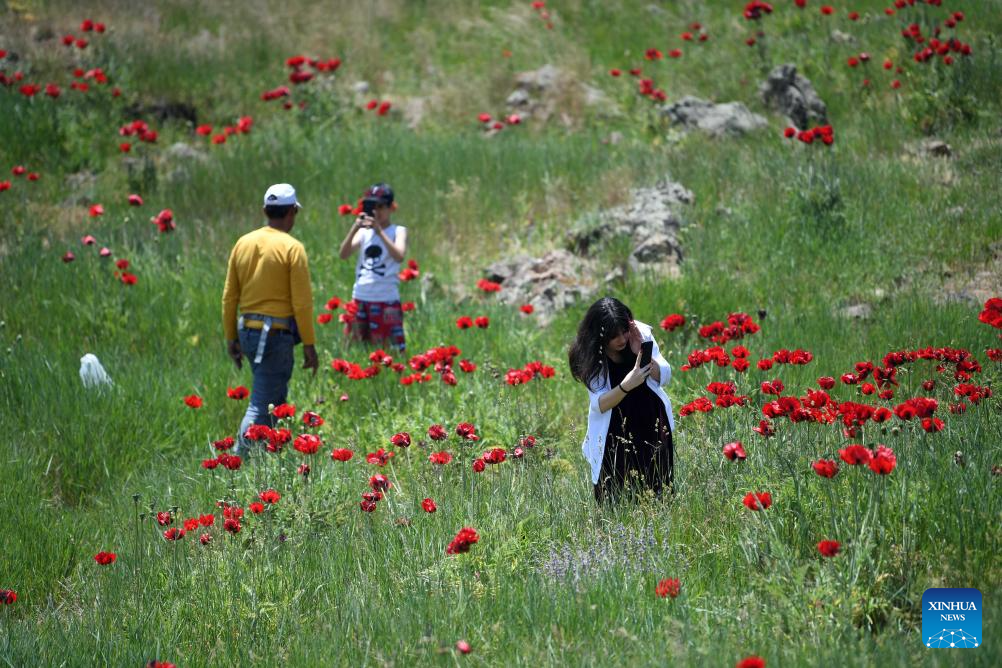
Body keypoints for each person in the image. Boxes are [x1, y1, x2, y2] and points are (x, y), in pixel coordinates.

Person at [222, 183, 319, 454]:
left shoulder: (243, 243)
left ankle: (262, 461)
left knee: (271, 402)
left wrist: (231, 337)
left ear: (265, 210)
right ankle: (238, 464)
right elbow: (302, 303)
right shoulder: (292, 248)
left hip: (248, 333)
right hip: (274, 336)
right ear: (291, 213)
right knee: (261, 406)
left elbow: (229, 297)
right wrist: (309, 345)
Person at [568, 297, 676, 503]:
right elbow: (599, 404)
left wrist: (641, 352)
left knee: (659, 492)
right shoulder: (592, 353)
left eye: (623, 331)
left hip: (651, 421)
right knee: (613, 497)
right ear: (599, 336)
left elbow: (665, 375)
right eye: (613, 335)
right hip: (614, 429)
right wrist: (628, 384)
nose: (621, 339)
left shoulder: (639, 334)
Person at [337, 183, 408, 351]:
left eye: (381, 206)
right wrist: (355, 228)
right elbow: (343, 254)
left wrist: (379, 232)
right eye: (372, 206)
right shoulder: (363, 233)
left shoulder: (398, 231)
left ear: (391, 208)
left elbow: (399, 255)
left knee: (390, 350)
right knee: (354, 347)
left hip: (385, 298)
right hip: (361, 296)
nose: (377, 211)